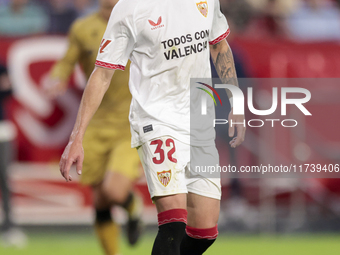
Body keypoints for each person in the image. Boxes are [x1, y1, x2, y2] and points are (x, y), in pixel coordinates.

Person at [59, 0, 246, 254]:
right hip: (156, 120)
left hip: (198, 121)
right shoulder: (129, 8)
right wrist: (76, 137)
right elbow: (102, 74)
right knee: (173, 224)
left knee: (205, 232)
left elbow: (219, 45)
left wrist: (236, 101)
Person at [44, 1, 143, 254]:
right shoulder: (82, 28)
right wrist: (58, 76)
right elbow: (67, 60)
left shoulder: (140, 22)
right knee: (99, 199)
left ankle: (132, 206)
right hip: (96, 124)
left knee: (113, 190)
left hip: (129, 122)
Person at [0, 64, 27, 247]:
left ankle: (9, 226)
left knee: (4, 180)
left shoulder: (2, 67)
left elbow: (9, 89)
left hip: (2, 132)